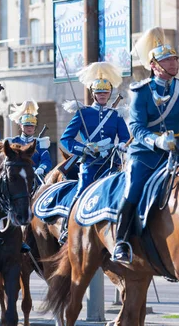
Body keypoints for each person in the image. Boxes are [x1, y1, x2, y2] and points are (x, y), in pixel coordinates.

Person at [111, 27, 179, 264]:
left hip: (178, 153)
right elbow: (135, 128)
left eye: (174, 59)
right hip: (145, 154)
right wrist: (157, 140)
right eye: (167, 60)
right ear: (154, 65)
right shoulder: (140, 91)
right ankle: (122, 241)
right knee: (133, 189)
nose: (173, 63)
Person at [58, 62, 130, 243]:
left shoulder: (116, 115)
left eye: (105, 92)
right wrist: (84, 148)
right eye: (99, 92)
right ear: (93, 94)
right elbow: (66, 139)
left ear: (110, 93)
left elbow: (124, 137)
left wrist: (121, 146)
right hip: (90, 163)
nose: (103, 95)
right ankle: (68, 227)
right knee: (81, 191)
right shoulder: (83, 113)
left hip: (111, 163)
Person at [8, 100, 52, 177]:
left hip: (34, 177)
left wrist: (41, 168)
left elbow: (46, 161)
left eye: (32, 126)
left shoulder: (40, 143)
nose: (29, 128)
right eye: (26, 125)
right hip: (16, 178)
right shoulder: (13, 142)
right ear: (21, 126)